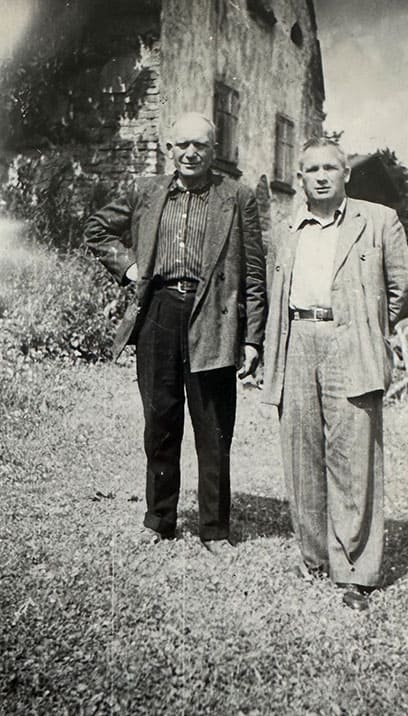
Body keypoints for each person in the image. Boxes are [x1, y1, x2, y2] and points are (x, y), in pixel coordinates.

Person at [84, 112, 266, 555]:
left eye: (200, 145)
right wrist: (129, 268)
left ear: (213, 150)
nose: (190, 152)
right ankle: (160, 519)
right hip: (159, 312)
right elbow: (96, 228)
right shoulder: (146, 192)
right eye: (182, 144)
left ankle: (214, 529)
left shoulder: (237, 197)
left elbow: (254, 273)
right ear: (170, 149)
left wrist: (252, 338)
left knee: (214, 426)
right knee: (160, 420)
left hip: (214, 316)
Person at [263, 137, 408, 610]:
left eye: (330, 168)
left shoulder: (378, 221)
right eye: (312, 170)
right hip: (297, 340)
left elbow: (402, 288)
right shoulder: (286, 228)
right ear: (300, 179)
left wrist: (370, 331)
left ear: (346, 174)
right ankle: (314, 557)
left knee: (353, 458)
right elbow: (273, 288)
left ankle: (355, 571)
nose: (322, 176)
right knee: (301, 453)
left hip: (350, 342)